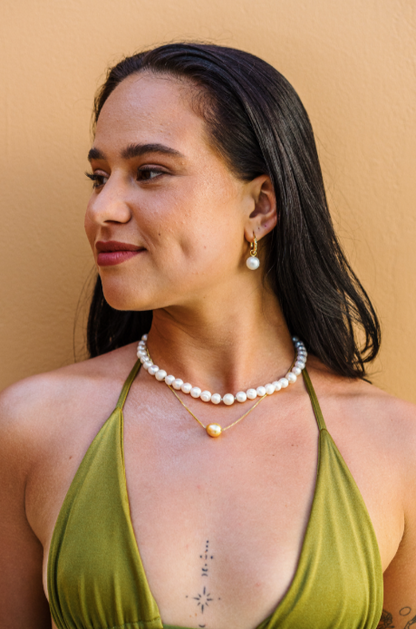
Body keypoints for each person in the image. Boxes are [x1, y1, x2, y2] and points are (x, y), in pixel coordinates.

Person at [0, 42, 415, 629]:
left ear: (260, 206)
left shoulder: (397, 447)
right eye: (99, 177)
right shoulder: (31, 428)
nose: (103, 209)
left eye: (149, 172)